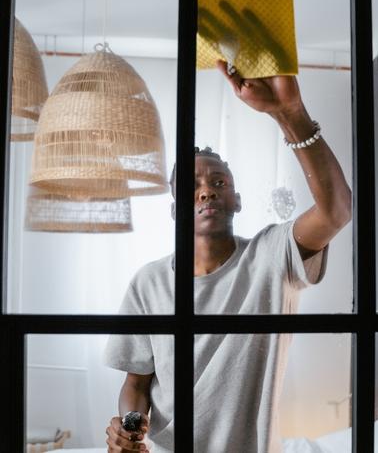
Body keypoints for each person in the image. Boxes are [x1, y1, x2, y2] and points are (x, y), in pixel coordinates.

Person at [104, 60, 352, 453]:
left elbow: (336, 211)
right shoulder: (148, 282)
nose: (206, 192)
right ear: (175, 210)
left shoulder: (271, 257)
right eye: (192, 186)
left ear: (237, 199)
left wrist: (290, 114)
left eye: (219, 182)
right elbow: (136, 384)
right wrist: (130, 429)